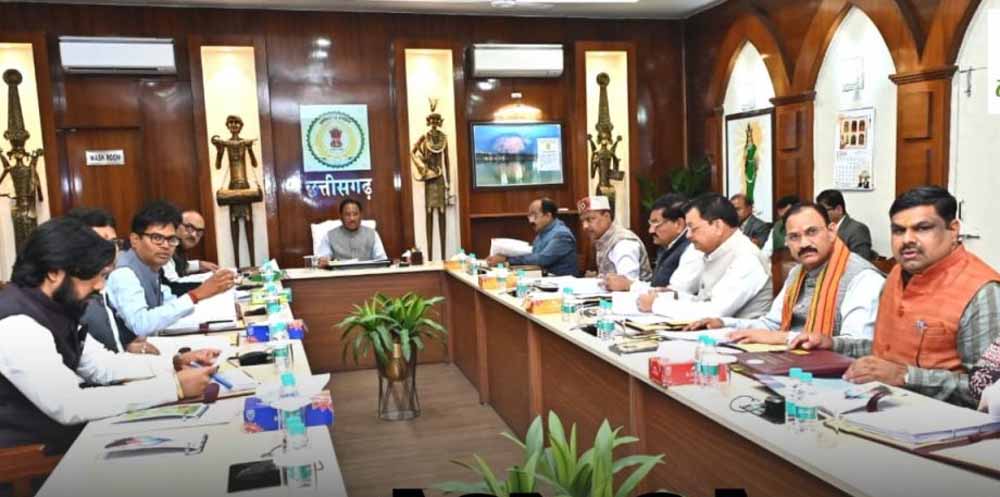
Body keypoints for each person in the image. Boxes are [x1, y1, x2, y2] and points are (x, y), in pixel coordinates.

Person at [0, 217, 219, 453]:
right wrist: (173, 388)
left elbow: (100, 365)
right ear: (54, 273)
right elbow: (69, 405)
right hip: (33, 460)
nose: (100, 286)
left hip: (71, 438)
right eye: (93, 275)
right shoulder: (17, 324)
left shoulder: (58, 306)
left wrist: (172, 364)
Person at [793, 186, 1000, 407]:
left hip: (942, 421)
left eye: (922, 228)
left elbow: (987, 389)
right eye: (898, 231)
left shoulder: (981, 291)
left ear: (953, 229)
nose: (907, 240)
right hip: (880, 405)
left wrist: (906, 377)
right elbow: (887, 352)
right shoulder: (896, 275)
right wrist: (832, 344)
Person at [686, 203, 884, 344]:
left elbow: (858, 344)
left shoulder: (862, 277)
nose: (804, 243)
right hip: (791, 361)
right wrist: (724, 324)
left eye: (812, 232)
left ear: (832, 232)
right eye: (794, 237)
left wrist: (783, 338)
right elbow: (772, 324)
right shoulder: (797, 273)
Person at [106, 200, 236, 338]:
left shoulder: (151, 266)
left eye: (171, 239)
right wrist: (196, 295)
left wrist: (212, 298)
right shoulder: (123, 273)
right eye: (157, 238)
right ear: (135, 240)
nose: (166, 246)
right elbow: (140, 325)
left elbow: (168, 303)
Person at [638, 193, 771, 320]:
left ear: (718, 226)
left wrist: (656, 305)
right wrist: (671, 296)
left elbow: (714, 311)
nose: (688, 235)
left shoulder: (746, 258)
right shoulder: (715, 252)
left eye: (693, 228)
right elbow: (703, 301)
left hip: (740, 333)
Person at [67, 207, 157, 355]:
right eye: (100, 243)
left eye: (113, 242)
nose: (111, 249)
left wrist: (126, 347)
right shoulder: (72, 296)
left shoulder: (104, 284)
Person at [604, 193, 702, 294]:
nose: (651, 230)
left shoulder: (693, 249)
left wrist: (629, 285)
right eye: (650, 224)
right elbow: (656, 286)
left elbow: (674, 293)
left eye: (656, 223)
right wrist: (628, 284)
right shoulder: (668, 247)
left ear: (679, 224)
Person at [485, 198, 577, 276]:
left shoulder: (562, 234)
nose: (531, 220)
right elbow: (533, 256)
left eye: (534, 215)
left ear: (548, 216)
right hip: (543, 279)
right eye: (529, 216)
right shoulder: (541, 233)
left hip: (561, 283)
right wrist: (502, 259)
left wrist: (506, 259)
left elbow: (542, 259)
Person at [578, 195, 651, 281]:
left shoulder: (623, 243)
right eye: (582, 221)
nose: (585, 226)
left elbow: (627, 282)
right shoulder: (602, 239)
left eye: (590, 219)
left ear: (606, 216)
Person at [316, 198, 387, 263]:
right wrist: (323, 260)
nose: (352, 218)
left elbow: (382, 260)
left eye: (355, 214)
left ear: (361, 215)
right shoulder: (329, 236)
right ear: (341, 216)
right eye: (347, 214)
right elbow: (323, 257)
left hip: (367, 271)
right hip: (340, 272)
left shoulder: (372, 234)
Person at [816, 189, 874, 260]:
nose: (820, 214)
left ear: (839, 209)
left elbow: (861, 260)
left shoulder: (857, 229)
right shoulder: (823, 229)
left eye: (824, 211)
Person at [163, 209, 218, 281]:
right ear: (176, 225)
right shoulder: (165, 247)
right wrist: (212, 279)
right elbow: (174, 283)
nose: (194, 235)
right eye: (189, 228)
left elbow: (177, 266)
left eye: (199, 232)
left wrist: (199, 265)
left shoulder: (179, 249)